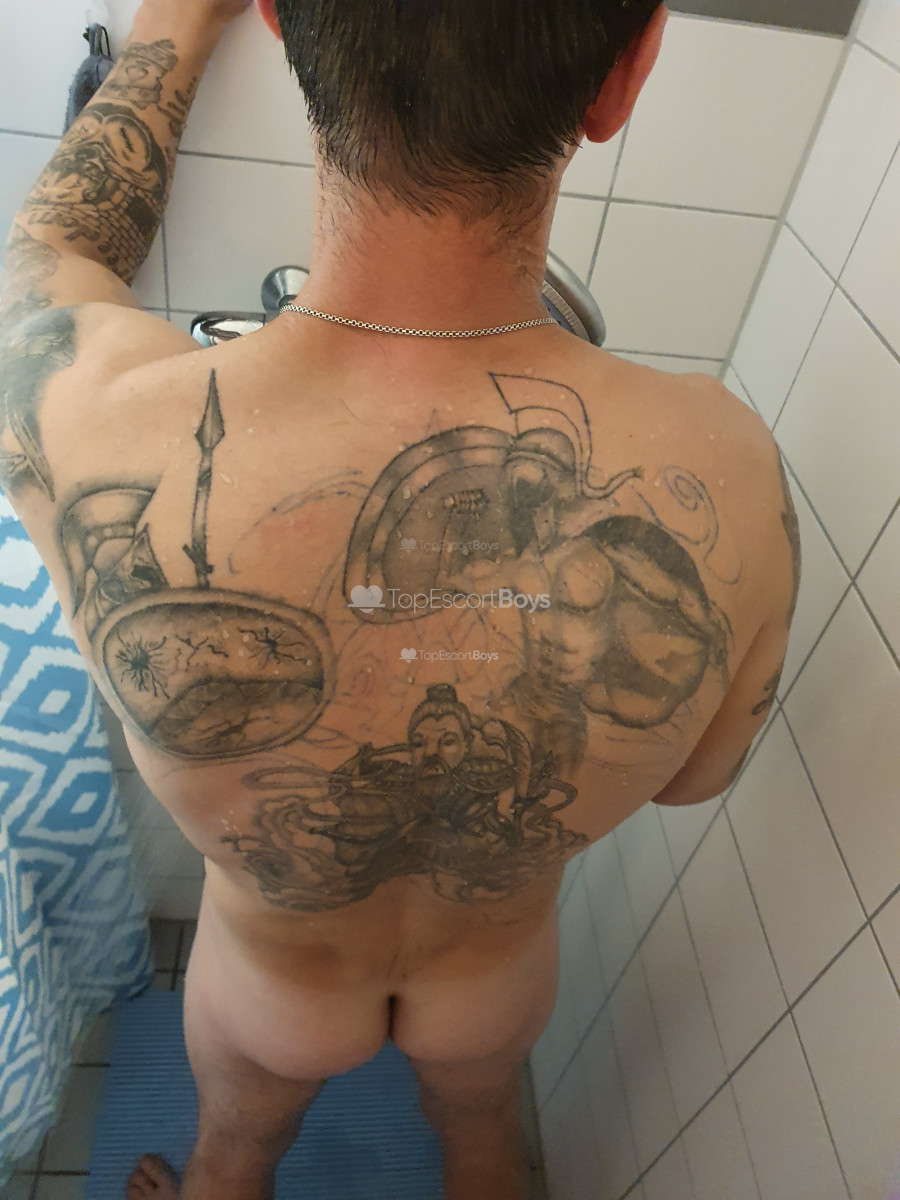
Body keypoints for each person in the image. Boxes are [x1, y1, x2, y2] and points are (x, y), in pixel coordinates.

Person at [0, 0, 799, 1195]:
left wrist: (182, 22)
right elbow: (694, 779)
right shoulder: (732, 468)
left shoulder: (94, 420)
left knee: (231, 1164)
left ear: (283, 22)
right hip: (493, 981)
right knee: (485, 1148)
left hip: (274, 987)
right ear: (627, 70)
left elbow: (49, 252)